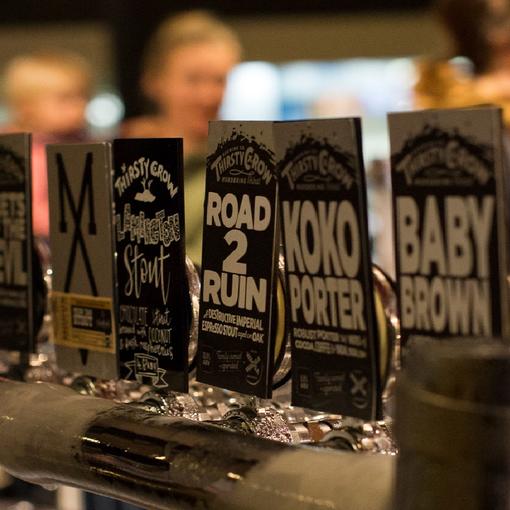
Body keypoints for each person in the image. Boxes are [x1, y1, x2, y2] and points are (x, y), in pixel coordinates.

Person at [122, 10, 241, 265]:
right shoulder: (122, 162)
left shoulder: (240, 168)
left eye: (219, 80)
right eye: (192, 80)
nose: (208, 96)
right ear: (153, 82)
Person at [1, 50, 93, 241]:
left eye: (83, 97)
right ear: (26, 106)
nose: (80, 106)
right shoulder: (15, 152)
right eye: (66, 99)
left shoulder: (83, 144)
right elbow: (25, 210)